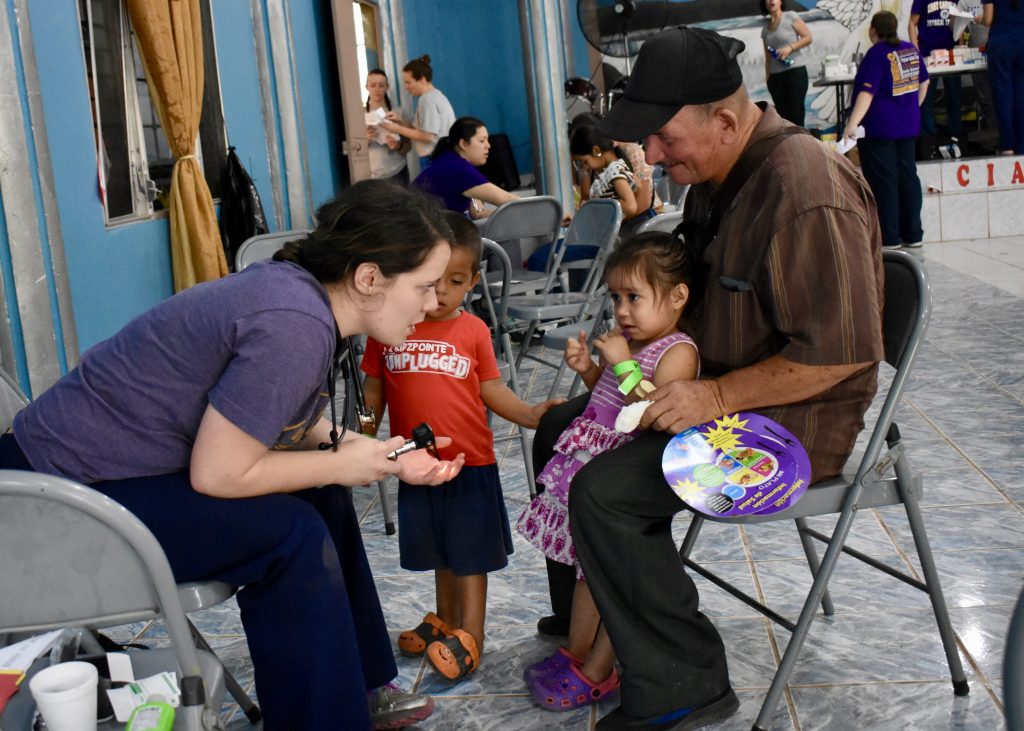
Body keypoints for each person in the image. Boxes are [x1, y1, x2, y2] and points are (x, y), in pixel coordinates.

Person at [0, 180, 470, 731]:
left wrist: (362, 450)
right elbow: (219, 472)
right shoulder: (295, 323)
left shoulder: (298, 296)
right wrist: (346, 464)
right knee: (292, 534)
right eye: (425, 286)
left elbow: (263, 413)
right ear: (369, 278)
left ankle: (357, 686)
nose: (435, 303)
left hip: (80, 476)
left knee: (321, 494)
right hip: (50, 507)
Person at [534, 26, 884, 729]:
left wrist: (713, 393)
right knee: (560, 428)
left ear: (725, 121)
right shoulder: (719, 179)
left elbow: (846, 351)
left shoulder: (805, 185)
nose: (652, 156)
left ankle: (683, 680)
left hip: (790, 431)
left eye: (663, 138)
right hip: (721, 398)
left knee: (606, 492)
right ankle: (596, 608)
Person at [360, 213, 562, 682]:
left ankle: (471, 634)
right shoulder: (390, 328)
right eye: (433, 282)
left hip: (468, 464)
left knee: (469, 554)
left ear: (473, 281)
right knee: (438, 552)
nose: (442, 293)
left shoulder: (472, 331)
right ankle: (444, 620)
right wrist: (363, 438)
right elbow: (373, 393)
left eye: (455, 281)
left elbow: (492, 389)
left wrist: (530, 414)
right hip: (415, 466)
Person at [517, 231, 702, 712]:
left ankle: (585, 663)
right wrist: (590, 373)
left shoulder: (677, 352)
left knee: (593, 576)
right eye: (616, 297)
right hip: (591, 468)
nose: (621, 310)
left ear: (677, 296)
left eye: (634, 298)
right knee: (587, 571)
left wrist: (621, 365)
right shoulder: (636, 346)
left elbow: (652, 413)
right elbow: (614, 400)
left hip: (625, 479)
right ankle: (577, 653)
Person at [845, 11, 930, 249]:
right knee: (908, 178)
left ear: (873, 30)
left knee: (885, 182)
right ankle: (913, 233)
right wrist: (914, 106)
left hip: (880, 128)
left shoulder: (876, 54)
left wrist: (852, 124)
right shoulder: (910, 50)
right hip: (908, 125)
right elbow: (925, 81)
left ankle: (890, 237)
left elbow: (866, 92)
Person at [413, 116, 519, 220]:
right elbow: (508, 201)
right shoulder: (456, 168)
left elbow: (477, 213)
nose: (488, 146)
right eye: (482, 141)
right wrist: (533, 207)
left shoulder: (449, 160)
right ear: (463, 143)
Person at [570, 125, 653, 235]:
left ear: (596, 151)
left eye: (583, 161)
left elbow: (631, 206)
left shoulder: (614, 171)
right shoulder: (614, 168)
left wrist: (598, 205)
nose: (584, 167)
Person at [380, 55, 455, 168]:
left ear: (422, 79)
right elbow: (419, 131)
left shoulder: (427, 100)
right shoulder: (436, 96)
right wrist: (400, 121)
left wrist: (397, 128)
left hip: (435, 158)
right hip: (441, 156)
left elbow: (427, 136)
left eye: (408, 82)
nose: (406, 87)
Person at [910, 0, 963, 138]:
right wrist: (916, 50)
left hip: (952, 54)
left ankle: (955, 135)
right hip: (928, 55)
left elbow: (960, 24)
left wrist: (961, 47)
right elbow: (912, 23)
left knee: (955, 96)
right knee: (926, 98)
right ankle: (928, 137)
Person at [980, 0, 1024, 154]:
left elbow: (988, 19)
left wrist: (978, 18)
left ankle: (1007, 146)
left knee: (1003, 97)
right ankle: (1021, 146)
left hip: (1001, 43)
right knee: (1021, 96)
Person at [761, 0, 813, 126]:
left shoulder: (790, 16)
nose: (771, 0)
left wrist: (790, 47)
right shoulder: (765, 30)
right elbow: (768, 59)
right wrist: (768, 80)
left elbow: (808, 37)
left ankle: (799, 144)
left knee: (795, 115)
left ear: (781, 1)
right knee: (782, 120)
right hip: (775, 78)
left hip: (795, 73)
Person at [364, 68, 410, 182]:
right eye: (373, 85)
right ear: (367, 87)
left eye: (381, 85)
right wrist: (365, 140)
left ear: (387, 87)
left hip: (398, 171)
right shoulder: (360, 115)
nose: (377, 89)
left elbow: (408, 145)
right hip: (372, 174)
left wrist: (397, 146)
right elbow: (354, 148)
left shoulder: (397, 112)